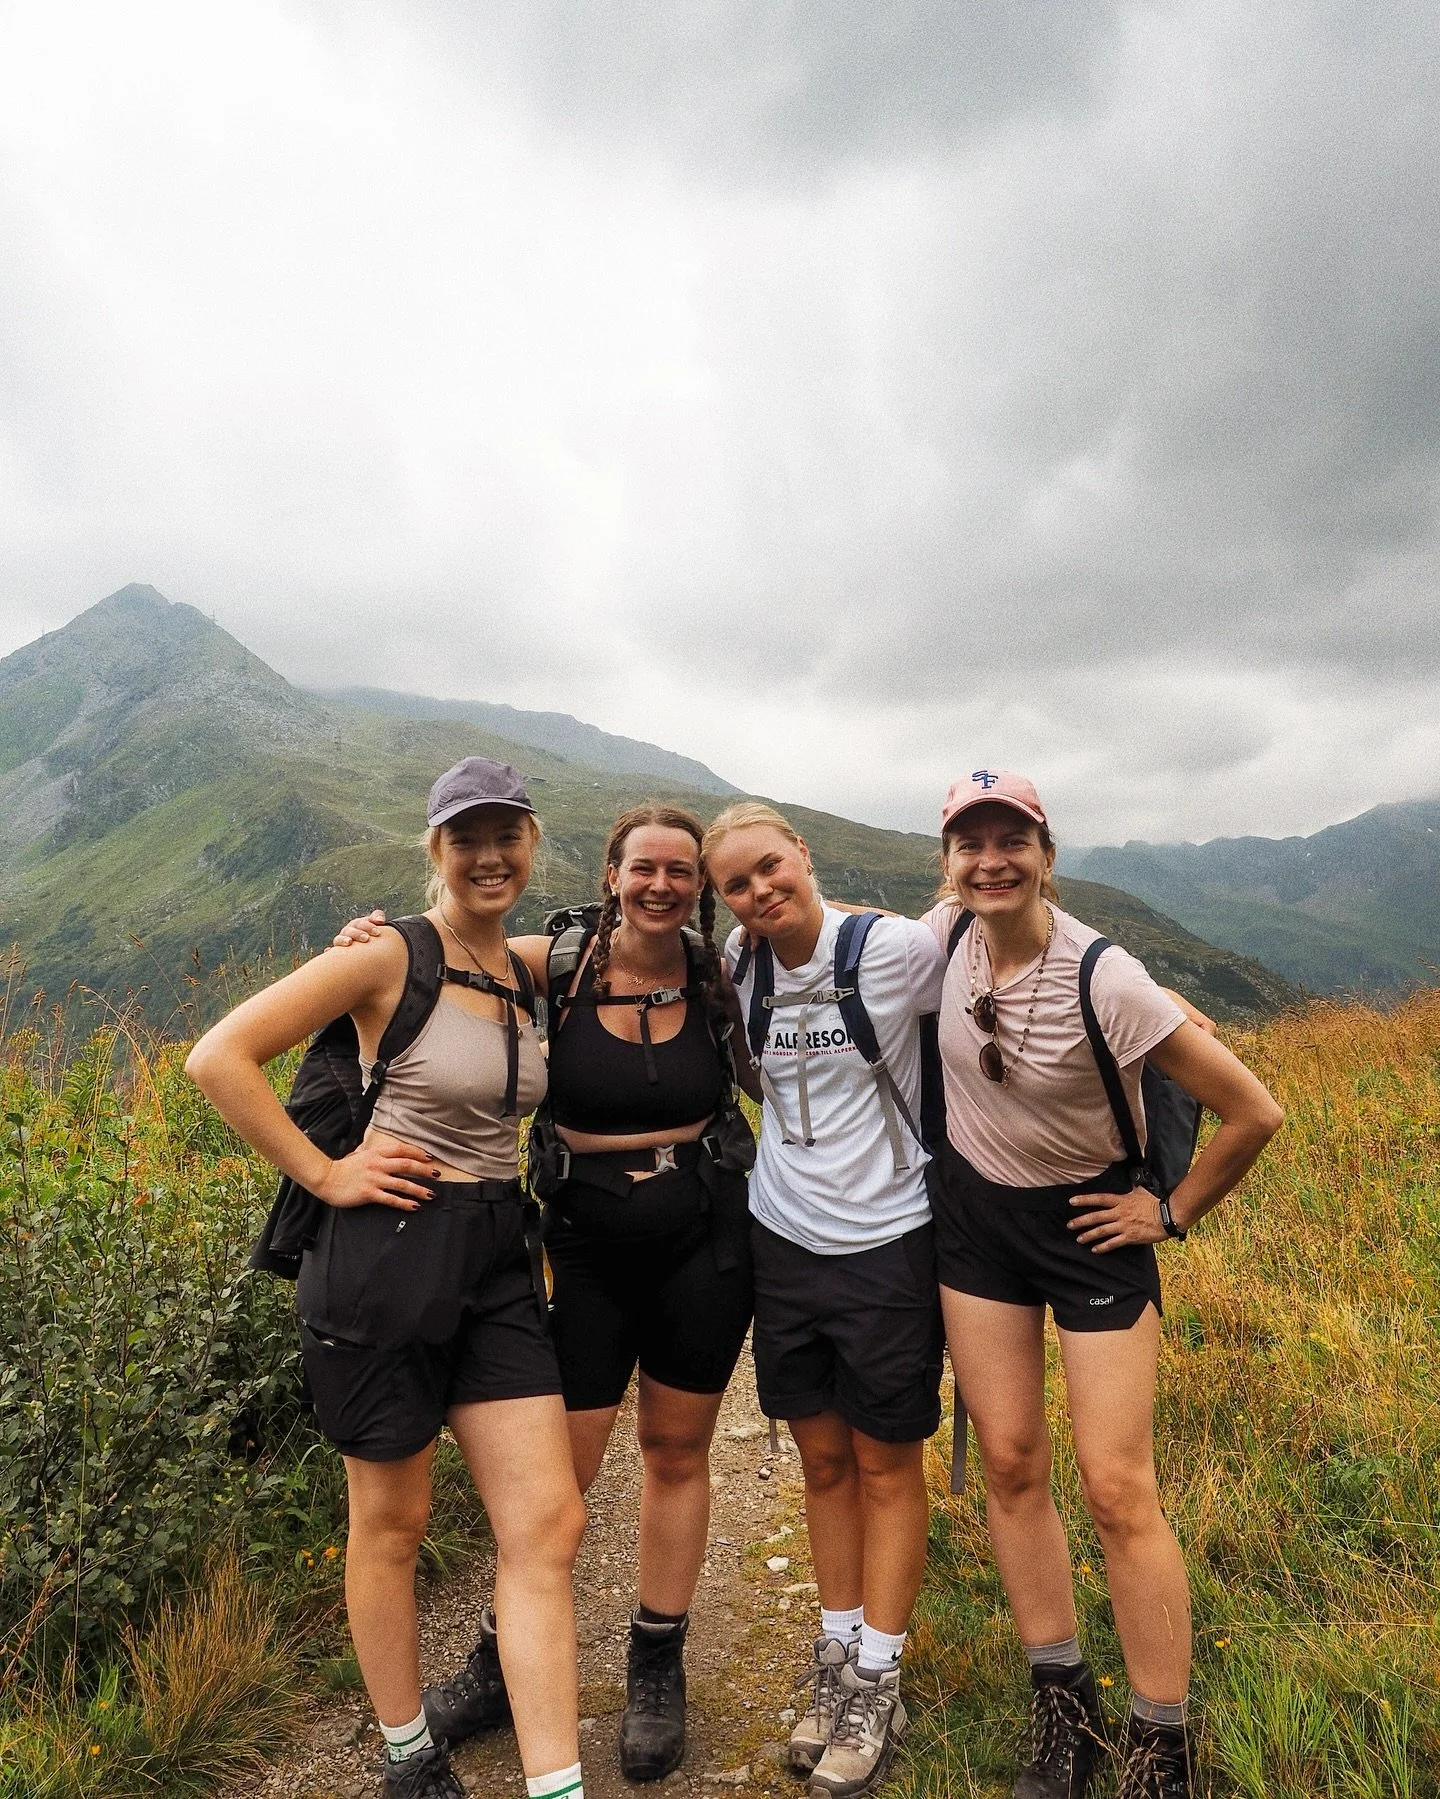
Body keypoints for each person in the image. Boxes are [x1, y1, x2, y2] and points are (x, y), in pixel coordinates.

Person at [186, 757, 587, 1799]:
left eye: (508, 833)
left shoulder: (523, 967)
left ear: (534, 842)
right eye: (467, 836)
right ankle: (410, 1754)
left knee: (547, 1520)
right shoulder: (384, 957)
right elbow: (218, 1056)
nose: (490, 853)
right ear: (436, 849)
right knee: (393, 1518)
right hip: (386, 1252)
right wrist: (324, 1170)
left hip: (498, 1248)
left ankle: (558, 1783)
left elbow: (649, 939)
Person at [334, 803, 756, 1784]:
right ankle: (494, 1660)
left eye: (680, 873)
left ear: (698, 887)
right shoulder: (551, 964)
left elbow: (811, 951)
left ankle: (656, 1660)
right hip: (582, 1245)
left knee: (678, 1449)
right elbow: (438, 955)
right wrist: (370, 941)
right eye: (643, 867)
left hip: (703, 1236)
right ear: (613, 872)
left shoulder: (716, 974)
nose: (661, 885)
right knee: (553, 1484)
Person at [924, 770, 1284, 1799]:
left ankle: (1158, 1739)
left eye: (1012, 839)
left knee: (1119, 1485)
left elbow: (1254, 1111)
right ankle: (1063, 1702)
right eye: (969, 841)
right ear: (946, 863)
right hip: (978, 1225)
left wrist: (1167, 1213)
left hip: (1091, 1225)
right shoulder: (943, 934)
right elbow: (835, 928)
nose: (991, 858)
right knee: (1009, 1460)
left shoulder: (1109, 978)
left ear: (1047, 851)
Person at [700, 802, 948, 1799]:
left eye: (771, 867)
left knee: (888, 1459)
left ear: (802, 852)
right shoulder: (738, 960)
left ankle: (881, 1676)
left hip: (888, 1239)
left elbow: (996, 958)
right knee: (822, 1456)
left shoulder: (891, 951)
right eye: (739, 883)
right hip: (785, 1240)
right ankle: (838, 1654)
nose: (761, 892)